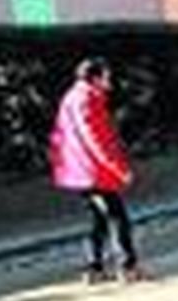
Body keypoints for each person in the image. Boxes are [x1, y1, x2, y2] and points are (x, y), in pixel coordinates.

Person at [49, 58, 146, 284]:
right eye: (106, 76)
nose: (109, 81)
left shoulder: (73, 97)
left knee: (99, 219)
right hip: (91, 172)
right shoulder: (86, 100)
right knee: (117, 218)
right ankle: (127, 266)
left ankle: (94, 268)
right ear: (95, 78)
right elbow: (95, 139)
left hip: (80, 170)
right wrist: (119, 168)